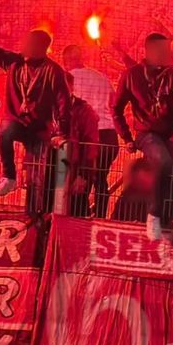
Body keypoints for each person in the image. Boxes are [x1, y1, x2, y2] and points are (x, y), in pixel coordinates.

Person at [0, 20, 70, 197]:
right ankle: (9, 177)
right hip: (17, 122)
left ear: (42, 48)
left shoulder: (54, 71)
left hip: (40, 130)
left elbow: (63, 103)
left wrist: (61, 132)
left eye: (30, 44)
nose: (25, 47)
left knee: (36, 178)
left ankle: (36, 214)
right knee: (5, 130)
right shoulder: (13, 62)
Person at [111, 33, 173, 240]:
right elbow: (115, 108)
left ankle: (169, 218)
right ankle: (154, 216)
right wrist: (126, 137)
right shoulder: (131, 75)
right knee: (164, 163)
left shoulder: (172, 75)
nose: (167, 54)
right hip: (146, 134)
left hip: (170, 136)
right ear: (149, 50)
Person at [63, 44, 117, 217]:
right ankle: (100, 218)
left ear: (66, 60)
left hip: (88, 137)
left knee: (81, 179)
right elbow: (113, 104)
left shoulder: (69, 79)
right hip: (109, 135)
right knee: (100, 179)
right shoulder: (101, 77)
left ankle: (80, 220)